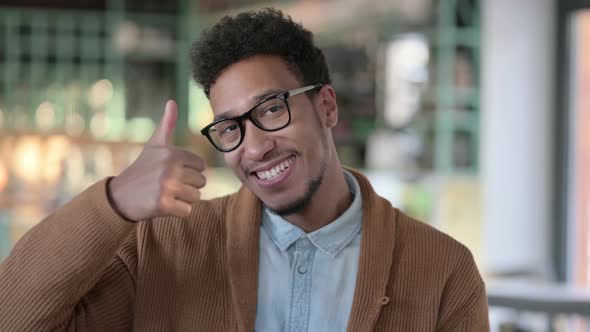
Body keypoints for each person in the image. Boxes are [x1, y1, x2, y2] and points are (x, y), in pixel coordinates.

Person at [0, 8, 489, 332]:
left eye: (272, 109)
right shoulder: (165, 249)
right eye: (229, 128)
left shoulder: (442, 271)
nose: (254, 147)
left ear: (327, 106)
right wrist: (114, 202)